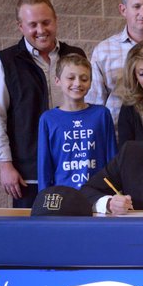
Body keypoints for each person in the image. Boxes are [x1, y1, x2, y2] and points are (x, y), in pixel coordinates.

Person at [0, 0, 87, 208]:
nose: (41, 30)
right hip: (28, 174)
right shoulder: (4, 62)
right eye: (33, 24)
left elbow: (86, 110)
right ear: (20, 27)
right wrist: (5, 166)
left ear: (55, 20)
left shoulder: (75, 55)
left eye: (46, 22)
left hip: (72, 169)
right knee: (31, 237)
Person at [37, 54, 117, 191]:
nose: (77, 83)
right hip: (63, 192)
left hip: (97, 192)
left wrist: (114, 191)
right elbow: (44, 164)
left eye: (84, 78)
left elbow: (111, 157)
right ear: (57, 81)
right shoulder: (48, 119)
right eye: (71, 78)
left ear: (90, 82)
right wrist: (43, 197)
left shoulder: (101, 114)